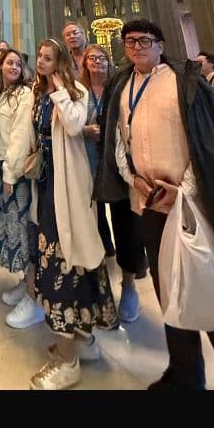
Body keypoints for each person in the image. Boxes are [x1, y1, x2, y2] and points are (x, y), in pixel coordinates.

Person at [97, 18, 214, 390]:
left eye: (144, 40)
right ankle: (185, 373)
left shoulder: (185, 82)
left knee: (207, 290)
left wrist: (184, 189)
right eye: (129, 42)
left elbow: (205, 141)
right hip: (146, 204)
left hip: (188, 204)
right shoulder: (121, 85)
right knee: (169, 295)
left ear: (160, 45)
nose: (136, 47)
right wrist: (134, 180)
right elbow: (118, 139)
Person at [29, 39, 118, 390]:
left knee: (70, 260)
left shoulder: (74, 90)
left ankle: (69, 360)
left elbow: (73, 124)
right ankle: (79, 337)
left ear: (61, 62)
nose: (41, 62)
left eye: (48, 58)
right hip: (48, 188)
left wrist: (59, 91)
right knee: (54, 258)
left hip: (70, 189)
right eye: (39, 56)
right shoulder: (40, 94)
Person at [81, 45, 147, 323]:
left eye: (102, 58)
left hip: (118, 168)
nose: (97, 62)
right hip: (87, 166)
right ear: (84, 64)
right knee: (92, 226)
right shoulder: (78, 91)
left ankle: (129, 286)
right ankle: (96, 286)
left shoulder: (119, 89)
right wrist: (84, 129)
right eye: (91, 59)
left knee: (126, 227)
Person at [0, 49, 42, 328]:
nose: (13, 66)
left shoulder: (24, 94)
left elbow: (20, 136)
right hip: (3, 167)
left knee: (24, 229)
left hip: (17, 171)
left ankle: (34, 298)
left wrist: (10, 175)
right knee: (11, 227)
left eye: (17, 63)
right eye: (8, 62)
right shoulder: (2, 92)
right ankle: (26, 282)